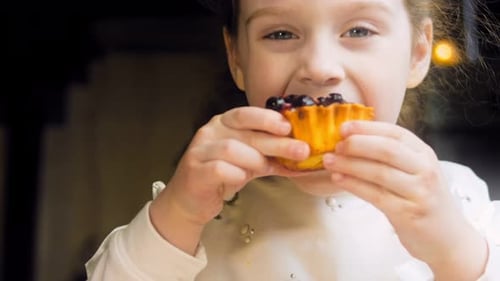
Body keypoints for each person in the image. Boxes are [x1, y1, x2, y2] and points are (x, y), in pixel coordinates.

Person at [85, 0, 500, 280]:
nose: (318, 68)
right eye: (280, 34)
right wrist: (177, 212)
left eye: (359, 30)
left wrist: (456, 253)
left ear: (417, 53)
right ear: (237, 59)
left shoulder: (459, 201)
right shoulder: (200, 212)